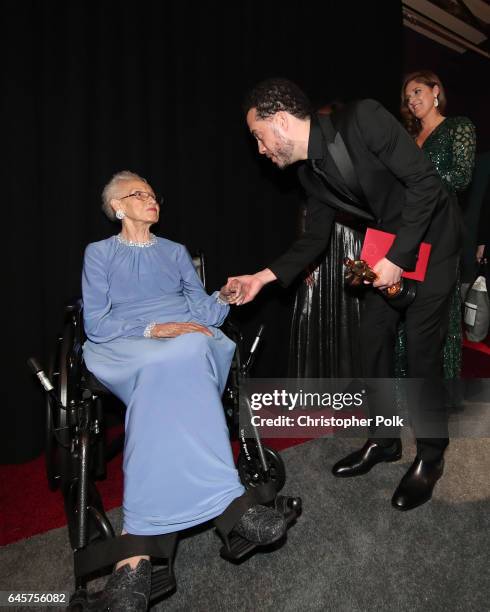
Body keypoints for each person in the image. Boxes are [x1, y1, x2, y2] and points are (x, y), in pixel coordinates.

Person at [228, 78, 462, 512]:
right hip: (390, 247)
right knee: (372, 340)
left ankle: (431, 457)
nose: (259, 149)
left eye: (258, 136)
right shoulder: (307, 173)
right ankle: (384, 440)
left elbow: (426, 184)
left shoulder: (364, 119)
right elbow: (314, 240)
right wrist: (261, 277)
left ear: (280, 121)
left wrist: (399, 254)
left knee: (421, 355)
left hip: (433, 238)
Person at [82, 171, 286, 611]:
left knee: (192, 344)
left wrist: (225, 295)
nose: (152, 200)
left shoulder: (174, 252)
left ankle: (136, 553)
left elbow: (200, 309)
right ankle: (230, 510)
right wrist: (156, 328)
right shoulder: (98, 255)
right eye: (140, 194)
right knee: (171, 356)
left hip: (184, 335)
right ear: (118, 206)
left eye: (154, 194)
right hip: (125, 341)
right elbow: (96, 323)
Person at [396, 71, 476, 404]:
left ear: (435, 91)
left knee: (437, 312)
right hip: (409, 230)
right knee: (404, 308)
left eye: (417, 91)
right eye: (407, 97)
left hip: (441, 229)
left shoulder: (459, 127)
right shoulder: (408, 137)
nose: (412, 100)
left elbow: (461, 177)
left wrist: (416, 175)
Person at [289, 102, 364, 378]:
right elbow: (305, 210)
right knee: (314, 313)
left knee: (350, 314)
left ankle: (351, 389)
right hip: (319, 244)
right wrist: (305, 260)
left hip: (351, 242)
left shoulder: (354, 158)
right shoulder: (308, 165)